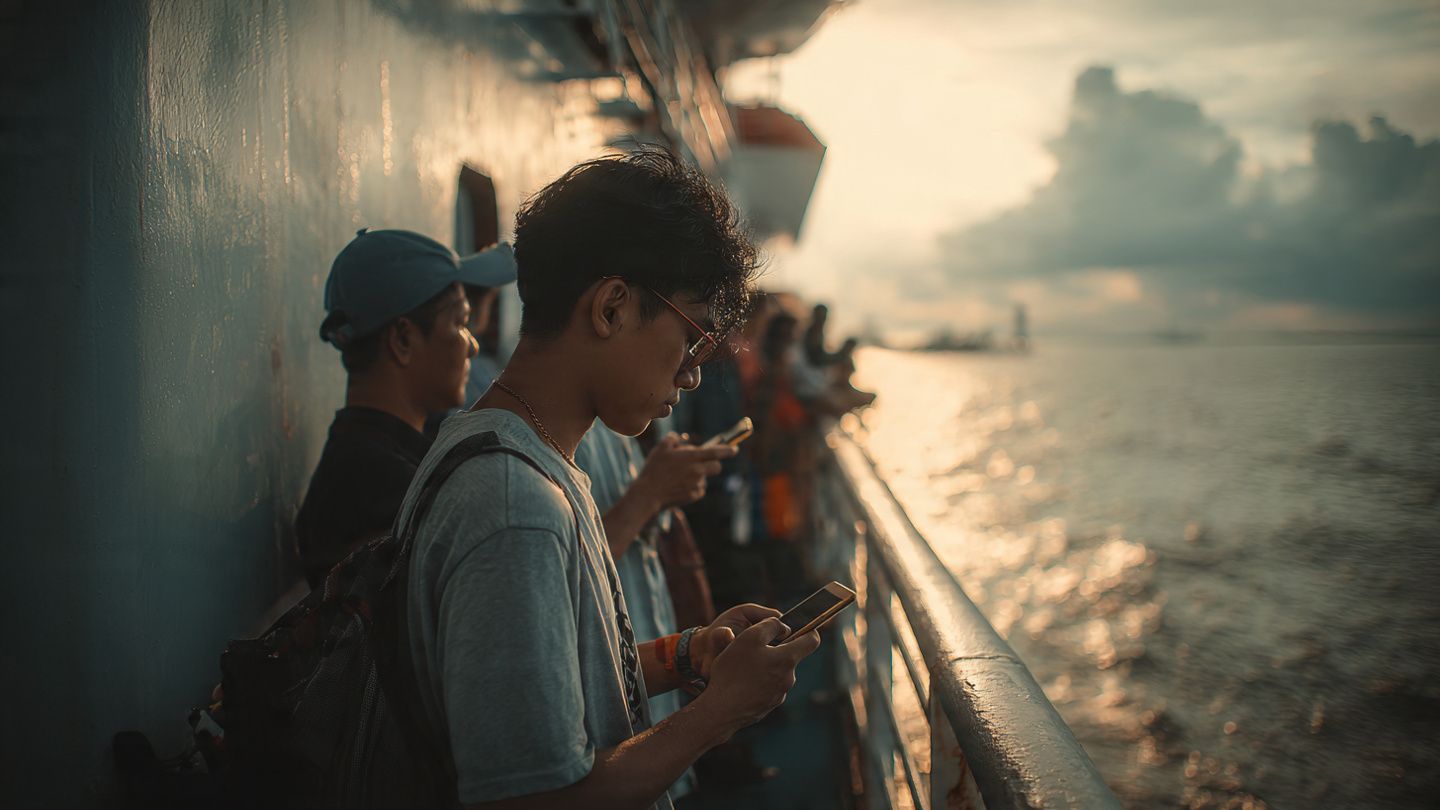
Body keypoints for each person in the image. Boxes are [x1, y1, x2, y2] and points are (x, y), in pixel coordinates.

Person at [398, 149, 820, 809]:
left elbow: (551, 685)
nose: (693, 373)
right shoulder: (515, 506)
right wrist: (720, 713)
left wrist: (684, 657)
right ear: (612, 308)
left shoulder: (521, 459)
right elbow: (530, 799)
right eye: (695, 338)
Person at [294, 228, 516, 588]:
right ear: (402, 340)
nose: (472, 347)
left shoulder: (369, 463)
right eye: (460, 323)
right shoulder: (382, 489)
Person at [573, 423, 734, 799]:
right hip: (604, 755)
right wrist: (650, 494)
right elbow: (561, 578)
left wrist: (689, 651)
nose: (689, 376)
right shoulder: (539, 452)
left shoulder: (617, 423)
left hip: (642, 657)